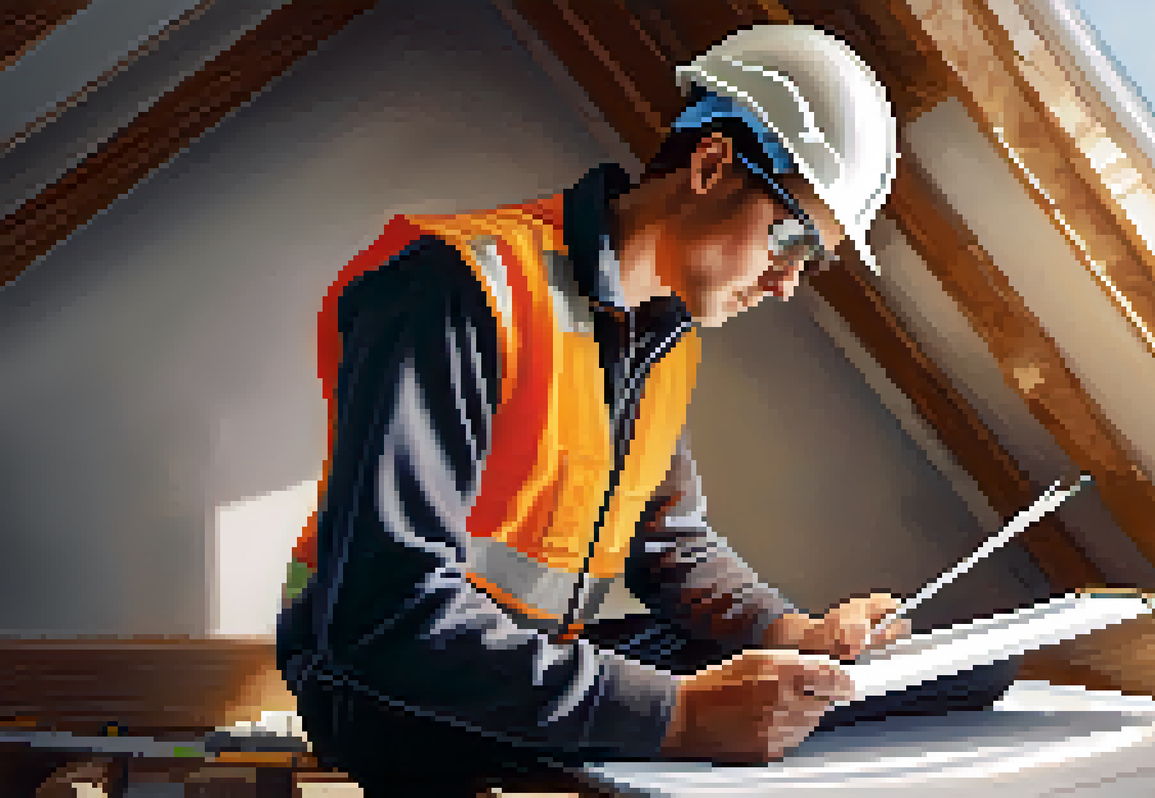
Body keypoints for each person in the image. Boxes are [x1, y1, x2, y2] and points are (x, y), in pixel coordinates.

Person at [274, 24, 1019, 796]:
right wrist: (681, 715)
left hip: (534, 665)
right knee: (767, 703)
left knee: (947, 671)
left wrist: (798, 635)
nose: (788, 283)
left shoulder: (664, 340)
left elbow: (671, 547)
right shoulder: (457, 286)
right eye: (789, 239)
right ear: (711, 163)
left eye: (813, 262)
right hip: (384, 688)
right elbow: (386, 615)